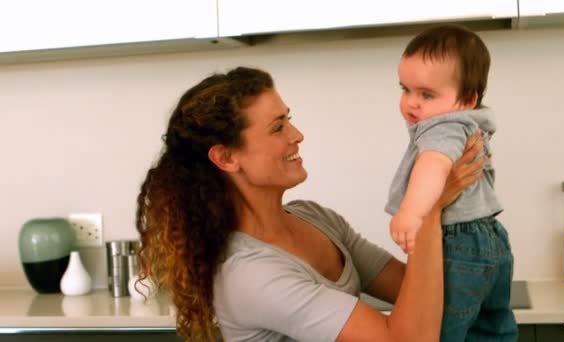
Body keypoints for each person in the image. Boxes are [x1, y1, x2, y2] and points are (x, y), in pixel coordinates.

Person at [135, 66, 485, 341]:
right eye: (277, 128)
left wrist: (439, 176)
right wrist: (427, 209)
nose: (297, 135)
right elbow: (409, 339)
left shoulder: (315, 219)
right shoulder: (250, 274)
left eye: (288, 118)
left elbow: (422, 298)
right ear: (226, 157)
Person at [385, 25, 517, 341]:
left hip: (457, 244)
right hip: (492, 239)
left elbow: (434, 165)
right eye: (405, 89)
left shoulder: (442, 126)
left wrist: (412, 212)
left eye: (426, 94)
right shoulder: (472, 120)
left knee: (440, 332)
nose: (412, 103)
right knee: (492, 331)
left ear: (467, 98)